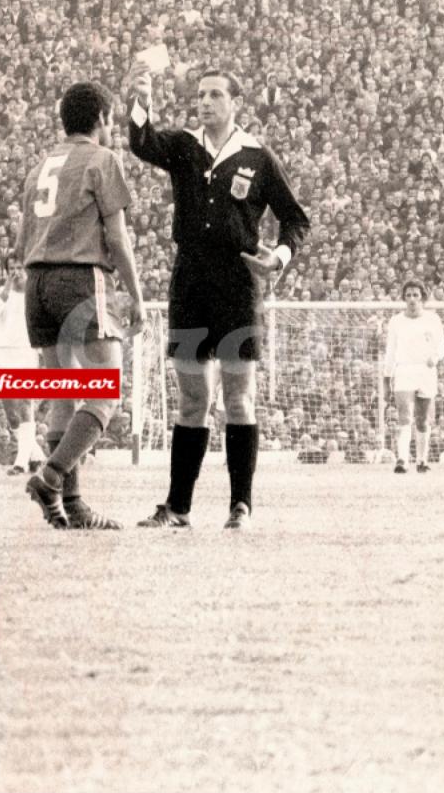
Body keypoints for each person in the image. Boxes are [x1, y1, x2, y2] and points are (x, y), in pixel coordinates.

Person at [128, 62, 309, 529]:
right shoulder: (185, 147)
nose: (205, 102)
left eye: (215, 95)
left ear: (235, 103)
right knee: (192, 399)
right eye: (201, 95)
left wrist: (280, 257)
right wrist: (141, 98)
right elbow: (141, 141)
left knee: (238, 397)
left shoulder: (257, 156)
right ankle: (178, 508)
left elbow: (295, 218)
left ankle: (240, 506)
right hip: (189, 283)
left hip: (236, 286)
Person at [15, 81, 145, 529]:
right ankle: (50, 478)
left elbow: (21, 243)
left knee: (62, 396)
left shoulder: (39, 167)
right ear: (103, 120)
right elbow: (118, 239)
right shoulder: (102, 159)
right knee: (105, 391)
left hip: (36, 283)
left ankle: (71, 506)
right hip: (80, 279)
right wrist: (137, 296)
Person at [0, 252, 46, 475]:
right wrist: (4, 295)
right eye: (12, 269)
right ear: (7, 271)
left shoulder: (36, 293)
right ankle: (36, 455)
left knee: (25, 404)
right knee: (11, 412)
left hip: (27, 353)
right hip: (3, 353)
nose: (16, 272)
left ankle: (21, 462)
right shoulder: (1, 293)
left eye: (20, 268)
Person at [383, 279, 444, 473]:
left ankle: (421, 460)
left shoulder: (432, 319)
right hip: (404, 370)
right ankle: (402, 460)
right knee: (405, 416)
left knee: (422, 419)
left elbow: (442, 346)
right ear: (404, 298)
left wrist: (435, 358)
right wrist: (387, 377)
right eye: (408, 295)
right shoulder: (396, 321)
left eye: (416, 295)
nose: (412, 299)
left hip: (426, 371)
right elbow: (390, 350)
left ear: (422, 298)